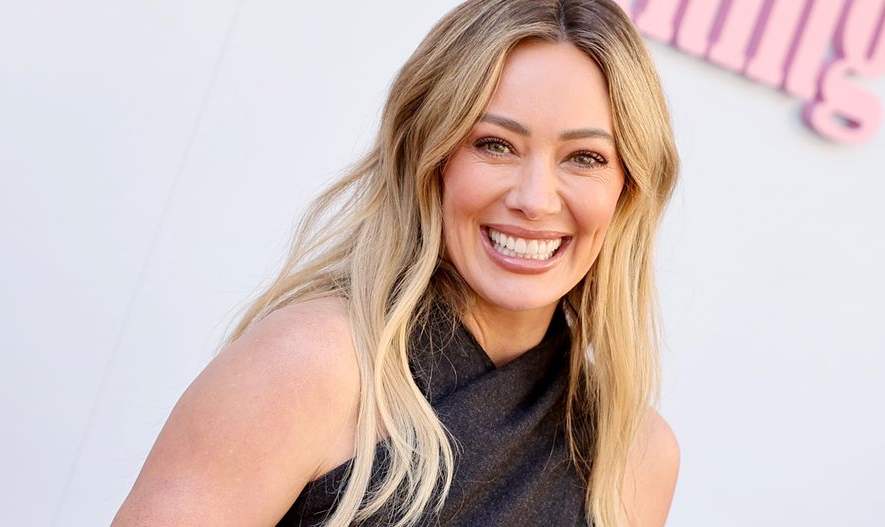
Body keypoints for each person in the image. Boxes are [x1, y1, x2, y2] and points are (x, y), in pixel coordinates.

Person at [112, 0, 680, 525]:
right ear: (430, 156)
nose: (534, 199)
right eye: (494, 144)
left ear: (627, 189)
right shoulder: (312, 365)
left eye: (585, 158)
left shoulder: (634, 454)